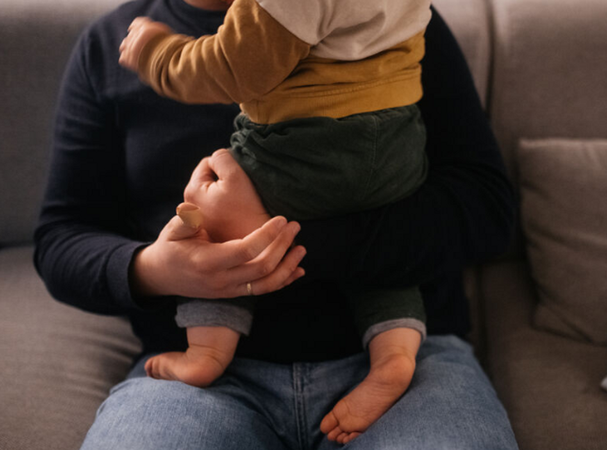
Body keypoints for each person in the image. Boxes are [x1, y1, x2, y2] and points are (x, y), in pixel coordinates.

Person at [34, 0, 519, 447]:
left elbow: (487, 209)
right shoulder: (108, 44)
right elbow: (62, 238)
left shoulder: (383, 17)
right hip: (199, 387)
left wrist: (266, 236)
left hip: (412, 363)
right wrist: (157, 268)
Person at [116, 0, 432, 440]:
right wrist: (150, 269)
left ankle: (206, 352)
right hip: (399, 146)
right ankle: (395, 354)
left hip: (311, 147)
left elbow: (232, 68)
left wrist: (158, 54)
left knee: (213, 211)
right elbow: (62, 234)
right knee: (380, 221)